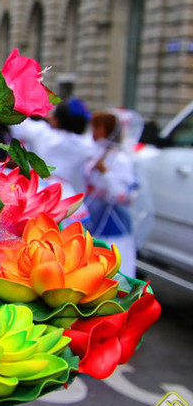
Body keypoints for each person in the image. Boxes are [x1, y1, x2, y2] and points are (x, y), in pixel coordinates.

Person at [84, 110, 141, 278]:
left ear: (107, 130)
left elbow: (122, 194)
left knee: (115, 267)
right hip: (95, 218)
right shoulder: (98, 153)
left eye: (97, 128)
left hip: (114, 222)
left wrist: (105, 173)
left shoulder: (120, 159)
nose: (93, 132)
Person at [9, 98, 96, 200]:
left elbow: (16, 124)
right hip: (67, 194)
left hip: (37, 190)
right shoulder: (86, 145)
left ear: (56, 120)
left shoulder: (42, 132)